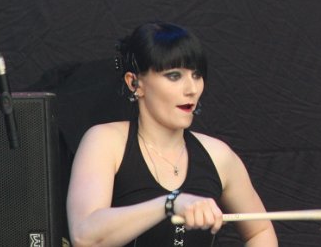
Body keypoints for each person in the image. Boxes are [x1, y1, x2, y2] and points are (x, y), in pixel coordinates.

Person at [66, 22, 278, 247]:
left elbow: (260, 230)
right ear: (135, 83)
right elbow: (84, 236)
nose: (192, 89)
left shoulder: (219, 156)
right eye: (174, 76)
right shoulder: (105, 142)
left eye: (196, 75)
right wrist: (170, 204)